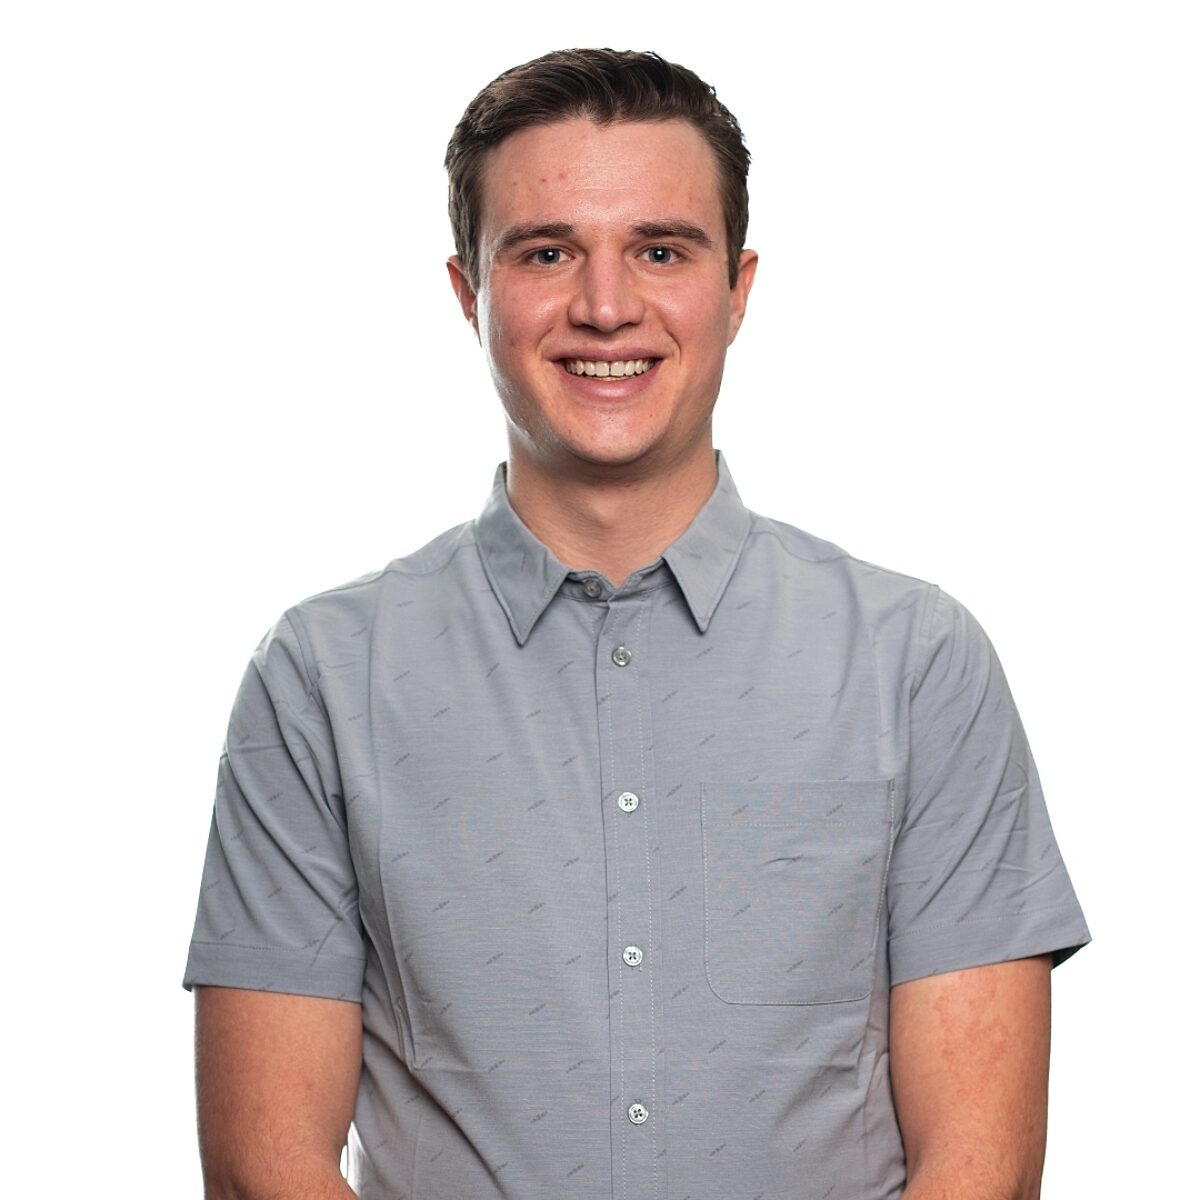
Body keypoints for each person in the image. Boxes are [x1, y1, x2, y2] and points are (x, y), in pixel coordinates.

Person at [184, 48, 1089, 1200]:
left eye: (661, 250)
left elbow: (981, 1169)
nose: (606, 306)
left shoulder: (918, 665)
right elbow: (265, 1170)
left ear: (737, 288)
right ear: (468, 292)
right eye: (546, 252)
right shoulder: (320, 678)